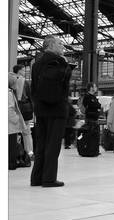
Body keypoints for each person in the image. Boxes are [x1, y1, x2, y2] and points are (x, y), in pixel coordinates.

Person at [30, 35, 72, 187]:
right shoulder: (59, 61)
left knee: (41, 144)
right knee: (53, 145)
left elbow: (34, 87)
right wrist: (68, 67)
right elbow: (62, 79)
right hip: (56, 108)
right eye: (60, 43)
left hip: (41, 109)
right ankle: (48, 179)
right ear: (50, 45)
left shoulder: (36, 63)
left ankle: (36, 178)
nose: (62, 47)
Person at [12, 64, 34, 159]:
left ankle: (15, 152)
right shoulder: (24, 82)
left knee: (13, 132)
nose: (24, 72)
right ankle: (29, 152)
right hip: (25, 109)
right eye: (23, 70)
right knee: (26, 132)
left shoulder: (11, 80)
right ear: (19, 71)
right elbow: (30, 96)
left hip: (13, 108)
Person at [8, 73, 27, 170]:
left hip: (10, 125)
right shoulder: (9, 94)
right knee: (11, 145)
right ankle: (11, 164)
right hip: (10, 125)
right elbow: (9, 109)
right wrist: (16, 119)